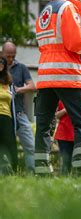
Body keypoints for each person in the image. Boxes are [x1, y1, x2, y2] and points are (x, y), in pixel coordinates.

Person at [34, 0, 81, 175]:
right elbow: (75, 44)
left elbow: (51, 43)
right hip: (68, 76)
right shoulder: (68, 7)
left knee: (44, 126)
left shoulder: (46, 11)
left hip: (46, 77)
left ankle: (42, 172)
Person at [2, 41, 36, 173]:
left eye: (13, 56)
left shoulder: (21, 67)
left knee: (31, 146)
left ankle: (32, 175)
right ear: (2, 53)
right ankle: (6, 174)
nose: (10, 59)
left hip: (19, 114)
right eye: (8, 56)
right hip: (4, 115)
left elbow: (32, 86)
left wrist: (19, 89)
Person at [54, 101, 81, 175]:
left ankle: (79, 179)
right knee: (66, 161)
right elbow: (55, 116)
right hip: (64, 135)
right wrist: (65, 110)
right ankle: (64, 180)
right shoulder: (61, 97)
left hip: (80, 135)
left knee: (80, 161)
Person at [0, 56, 18, 174]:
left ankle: (12, 173)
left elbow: (13, 104)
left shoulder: (8, 83)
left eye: (2, 63)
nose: (0, 64)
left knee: (11, 148)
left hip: (6, 118)